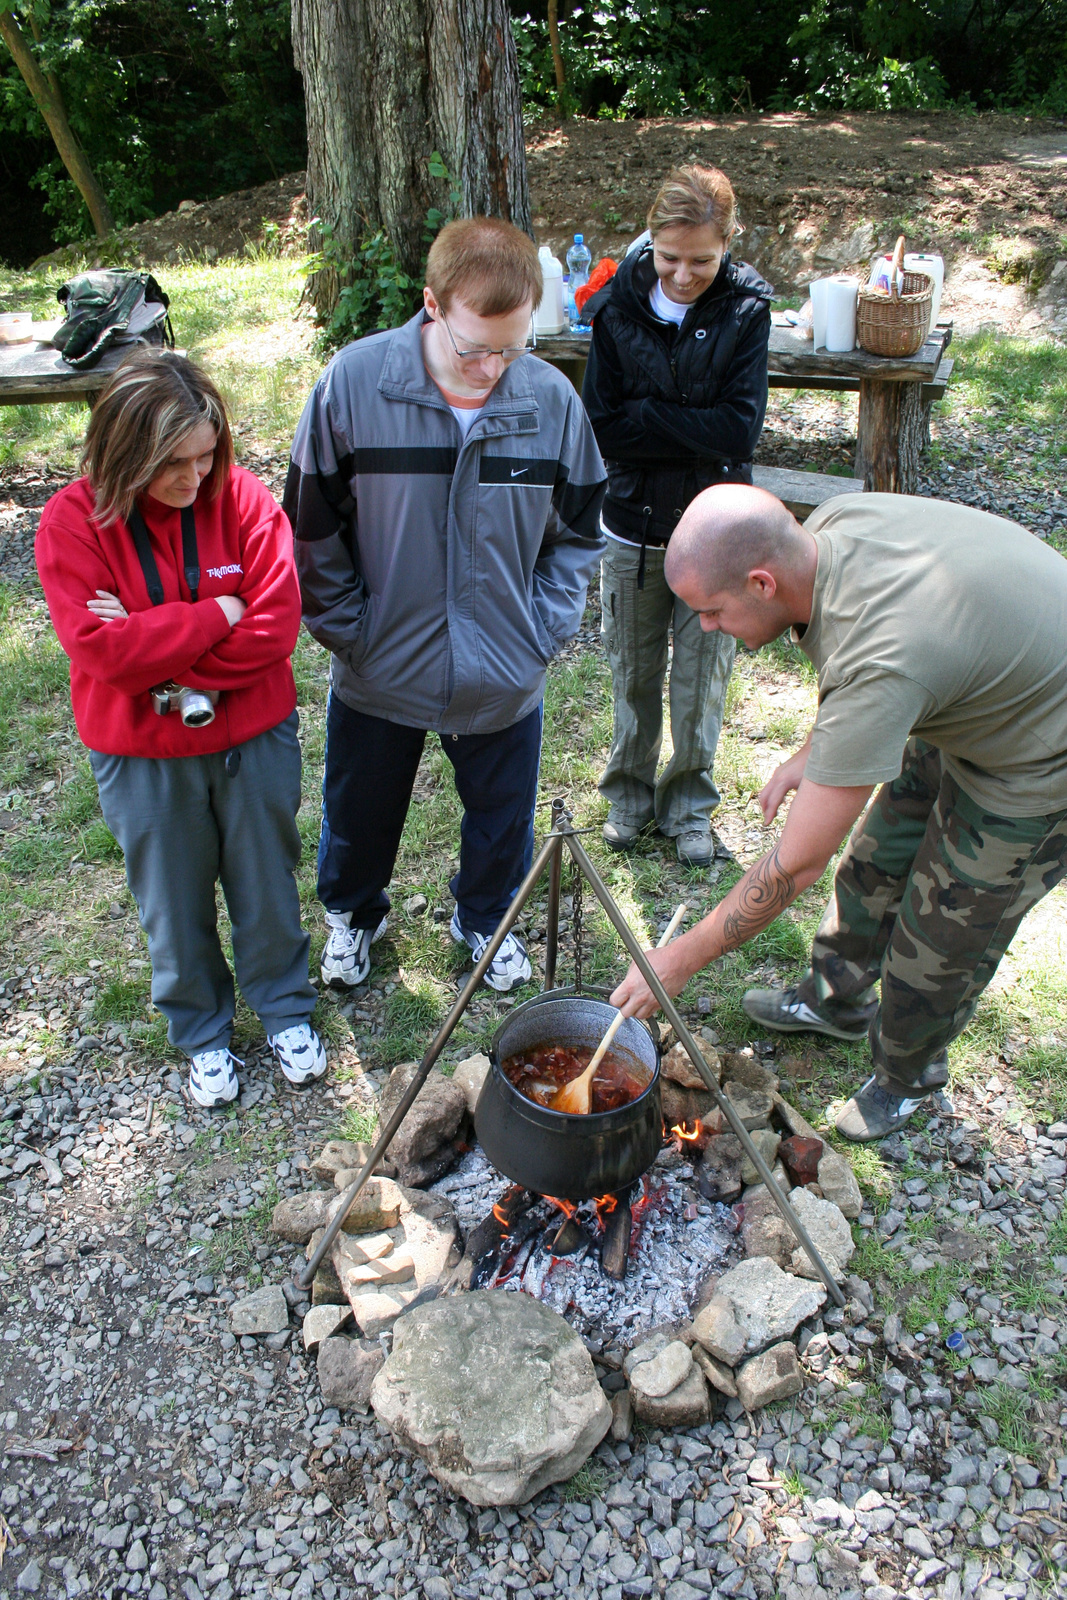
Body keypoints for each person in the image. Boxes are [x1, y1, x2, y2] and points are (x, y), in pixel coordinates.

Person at [610, 483, 1067, 1141]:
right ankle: (836, 1001)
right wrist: (811, 751)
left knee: (941, 935)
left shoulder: (884, 665)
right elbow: (853, 669)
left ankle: (905, 1079)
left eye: (710, 612)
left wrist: (680, 956)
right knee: (872, 865)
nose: (705, 628)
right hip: (970, 682)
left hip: (1040, 750)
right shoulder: (829, 527)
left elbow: (794, 865)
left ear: (762, 583)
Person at [284, 217, 606, 993]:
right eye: (475, 347)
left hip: (503, 668)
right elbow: (310, 525)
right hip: (379, 664)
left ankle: (486, 920)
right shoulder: (354, 386)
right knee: (359, 814)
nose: (494, 367)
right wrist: (348, 631)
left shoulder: (551, 402)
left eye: (513, 345)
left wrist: (539, 631)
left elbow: (578, 533)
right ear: (432, 306)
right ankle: (354, 918)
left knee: (503, 822)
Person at [36, 350, 324, 1110]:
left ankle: (286, 1010)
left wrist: (153, 642)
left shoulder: (243, 500)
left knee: (266, 880)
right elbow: (97, 649)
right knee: (172, 894)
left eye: (206, 456)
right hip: (140, 752)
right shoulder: (74, 521)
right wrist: (212, 616)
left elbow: (275, 625)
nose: (195, 479)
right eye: (174, 464)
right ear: (127, 452)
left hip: (252, 737)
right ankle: (201, 1031)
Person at [581, 165, 772, 868]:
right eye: (669, 258)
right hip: (632, 522)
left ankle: (688, 806)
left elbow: (736, 433)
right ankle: (628, 797)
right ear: (649, 243)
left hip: (718, 530)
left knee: (700, 679)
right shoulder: (614, 306)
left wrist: (649, 416)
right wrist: (686, 423)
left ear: (728, 244)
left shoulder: (747, 309)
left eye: (702, 259)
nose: (684, 274)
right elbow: (603, 427)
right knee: (631, 671)